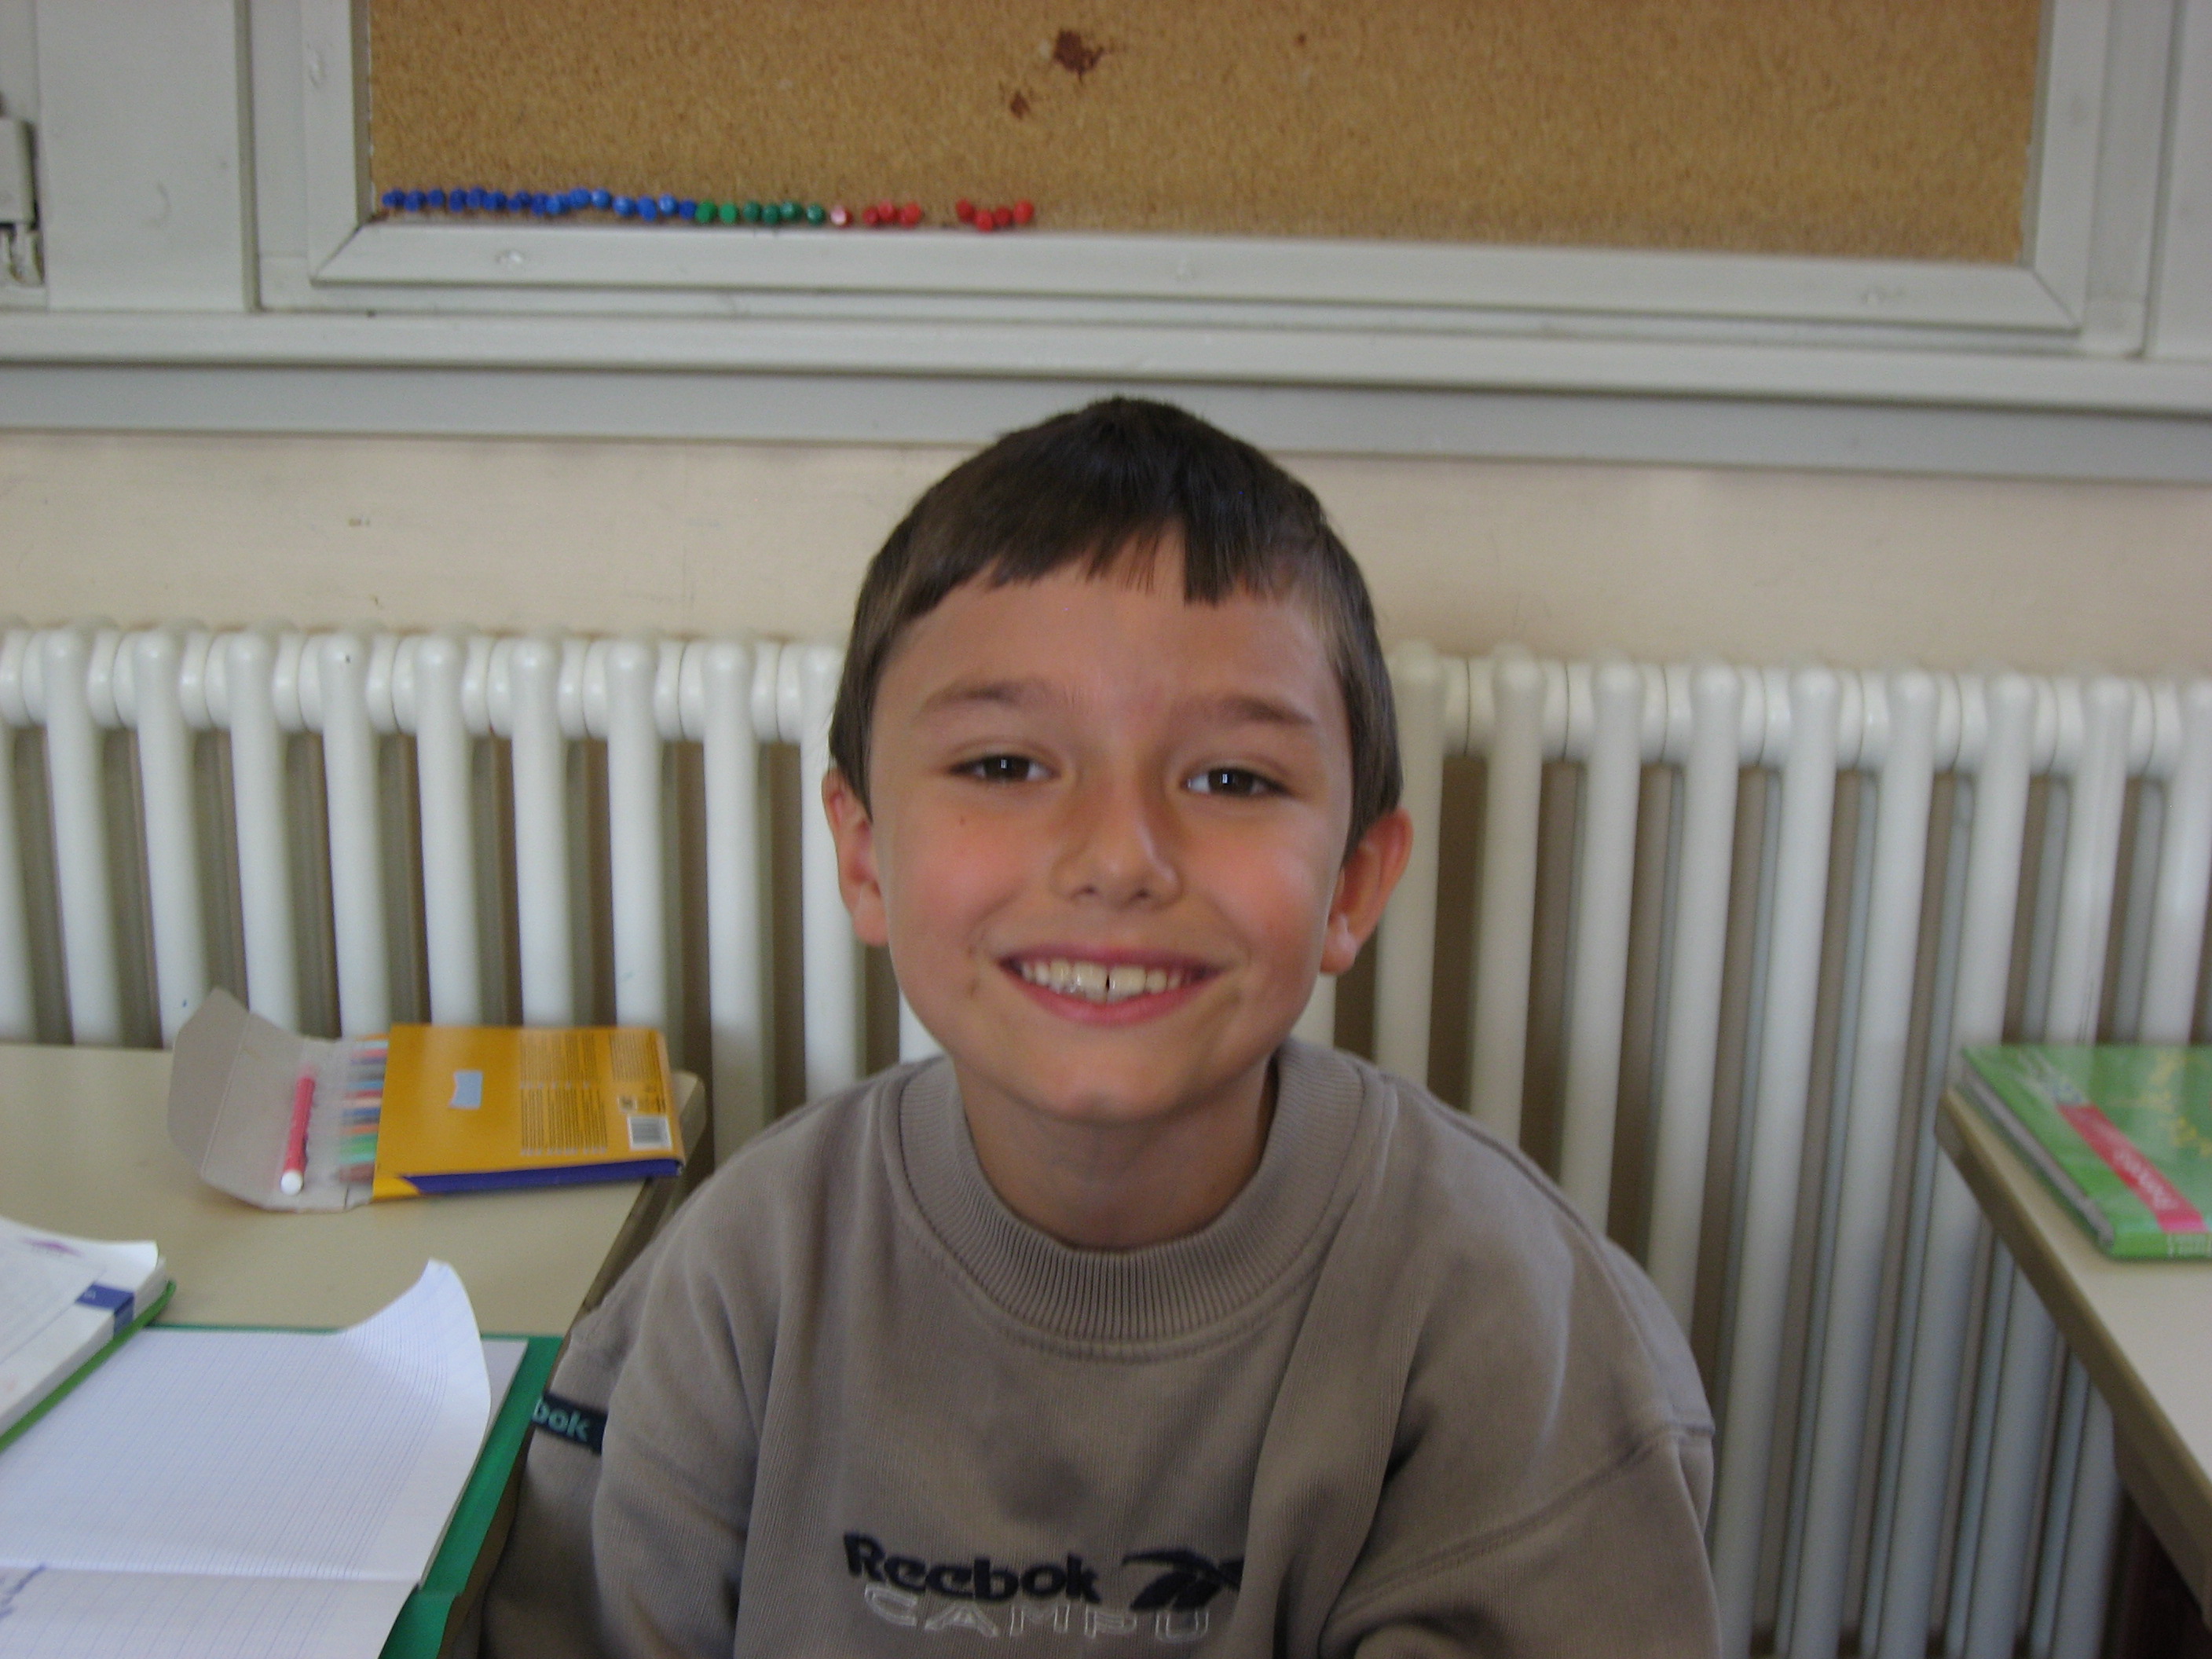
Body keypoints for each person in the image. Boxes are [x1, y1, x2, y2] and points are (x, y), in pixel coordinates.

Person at [583, 398, 1719, 1657]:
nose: (1119, 858)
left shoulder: (1518, 1340)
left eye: (1233, 779)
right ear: (863, 856)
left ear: (1352, 885)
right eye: (1004, 765)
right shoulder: (741, 1283)